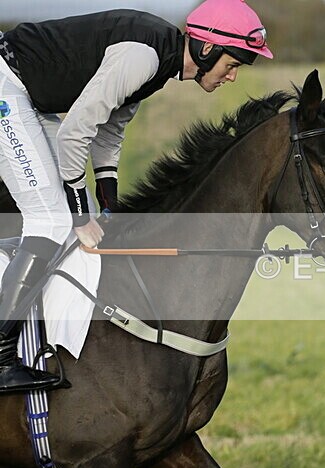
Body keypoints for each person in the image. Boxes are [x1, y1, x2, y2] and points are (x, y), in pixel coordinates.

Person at [0, 0, 272, 393]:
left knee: (77, 217)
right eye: (232, 64)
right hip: (8, 84)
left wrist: (106, 205)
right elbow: (75, 134)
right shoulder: (144, 58)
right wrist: (80, 215)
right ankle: (3, 355)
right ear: (207, 49)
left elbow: (108, 134)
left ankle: (36, 336)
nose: (232, 76)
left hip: (25, 93)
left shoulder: (157, 67)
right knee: (55, 220)